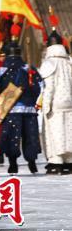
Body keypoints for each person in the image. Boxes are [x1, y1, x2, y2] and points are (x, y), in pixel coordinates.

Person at [0, 38, 42, 174]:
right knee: (30, 135)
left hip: (11, 108)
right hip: (29, 109)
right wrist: (31, 97)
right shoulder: (29, 68)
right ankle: (32, 163)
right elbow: (40, 86)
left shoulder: (2, 69)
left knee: (12, 136)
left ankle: (12, 163)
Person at [38, 27, 71, 175]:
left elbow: (49, 88)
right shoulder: (69, 62)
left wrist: (46, 106)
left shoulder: (49, 63)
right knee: (68, 132)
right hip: (70, 103)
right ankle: (69, 161)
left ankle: (56, 161)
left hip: (55, 104)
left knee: (54, 132)